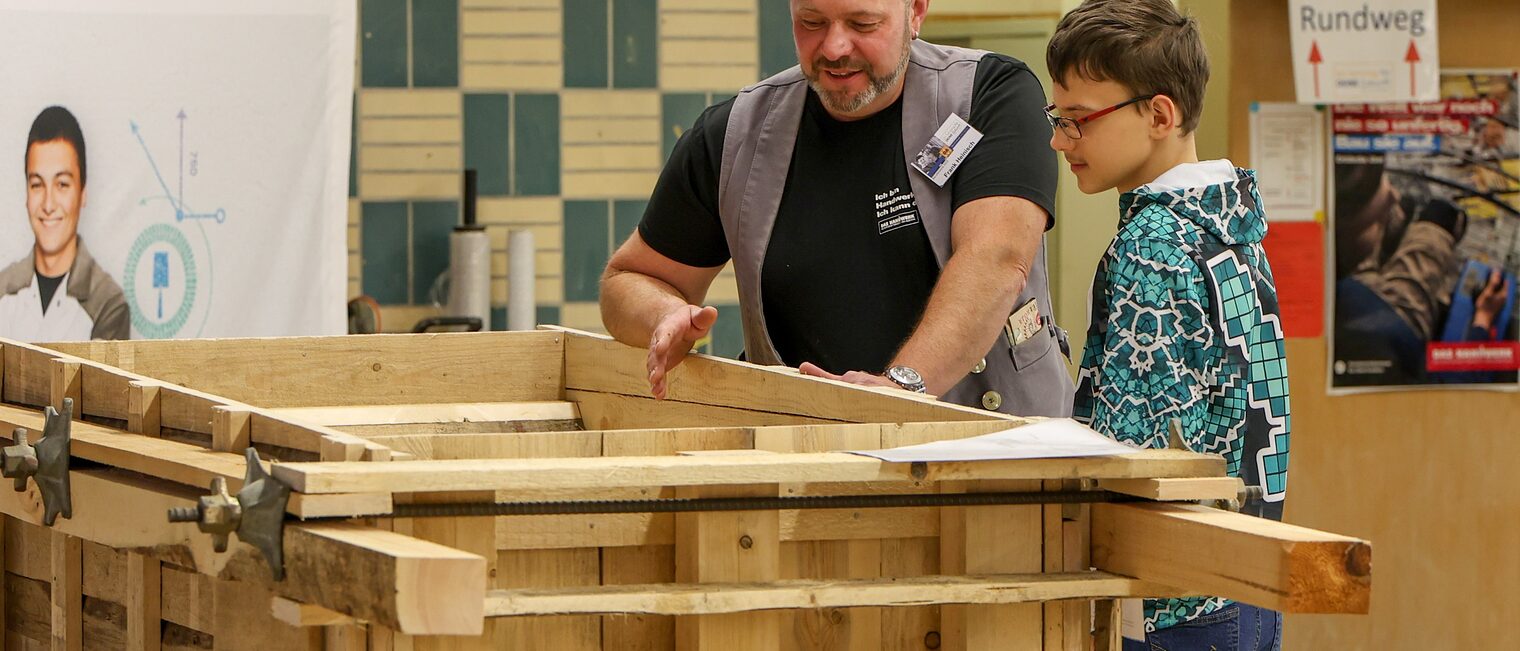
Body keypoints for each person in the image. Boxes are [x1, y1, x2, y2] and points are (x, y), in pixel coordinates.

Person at [599, 0, 1073, 416]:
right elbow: (628, 280)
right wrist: (662, 314)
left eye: (863, 24)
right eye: (811, 22)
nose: (834, 47)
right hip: (808, 454)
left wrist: (899, 388)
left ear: (916, 12)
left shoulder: (988, 95)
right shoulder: (733, 135)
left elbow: (995, 259)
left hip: (995, 448)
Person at [1046, 1, 1289, 648]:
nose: (1059, 141)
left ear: (1159, 114)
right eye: (1057, 119)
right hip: (1248, 580)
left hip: (1169, 606)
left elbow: (1131, 442)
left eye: (1078, 121)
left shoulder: (1153, 244)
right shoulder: (1233, 223)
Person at [0, 105, 129, 342]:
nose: (48, 204)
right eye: (37, 184)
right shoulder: (2, 290)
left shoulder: (107, 304)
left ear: (83, 193)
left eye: (62, 184)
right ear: (26, 194)